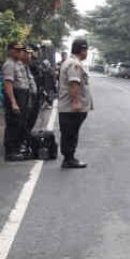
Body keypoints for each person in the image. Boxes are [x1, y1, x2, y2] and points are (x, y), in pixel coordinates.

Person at [58, 39, 93, 169]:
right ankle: (69, 159)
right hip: (70, 108)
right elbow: (74, 84)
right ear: (82, 50)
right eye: (86, 50)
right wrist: (76, 102)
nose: (87, 53)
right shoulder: (74, 64)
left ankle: (69, 158)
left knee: (70, 132)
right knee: (70, 133)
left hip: (68, 107)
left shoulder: (71, 62)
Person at [2, 42, 31, 161]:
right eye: (17, 50)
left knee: (21, 123)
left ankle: (17, 148)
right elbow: (8, 84)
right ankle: (10, 151)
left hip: (22, 95)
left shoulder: (19, 64)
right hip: (15, 96)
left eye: (21, 51)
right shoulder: (9, 64)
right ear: (10, 51)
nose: (20, 52)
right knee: (13, 124)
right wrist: (13, 102)